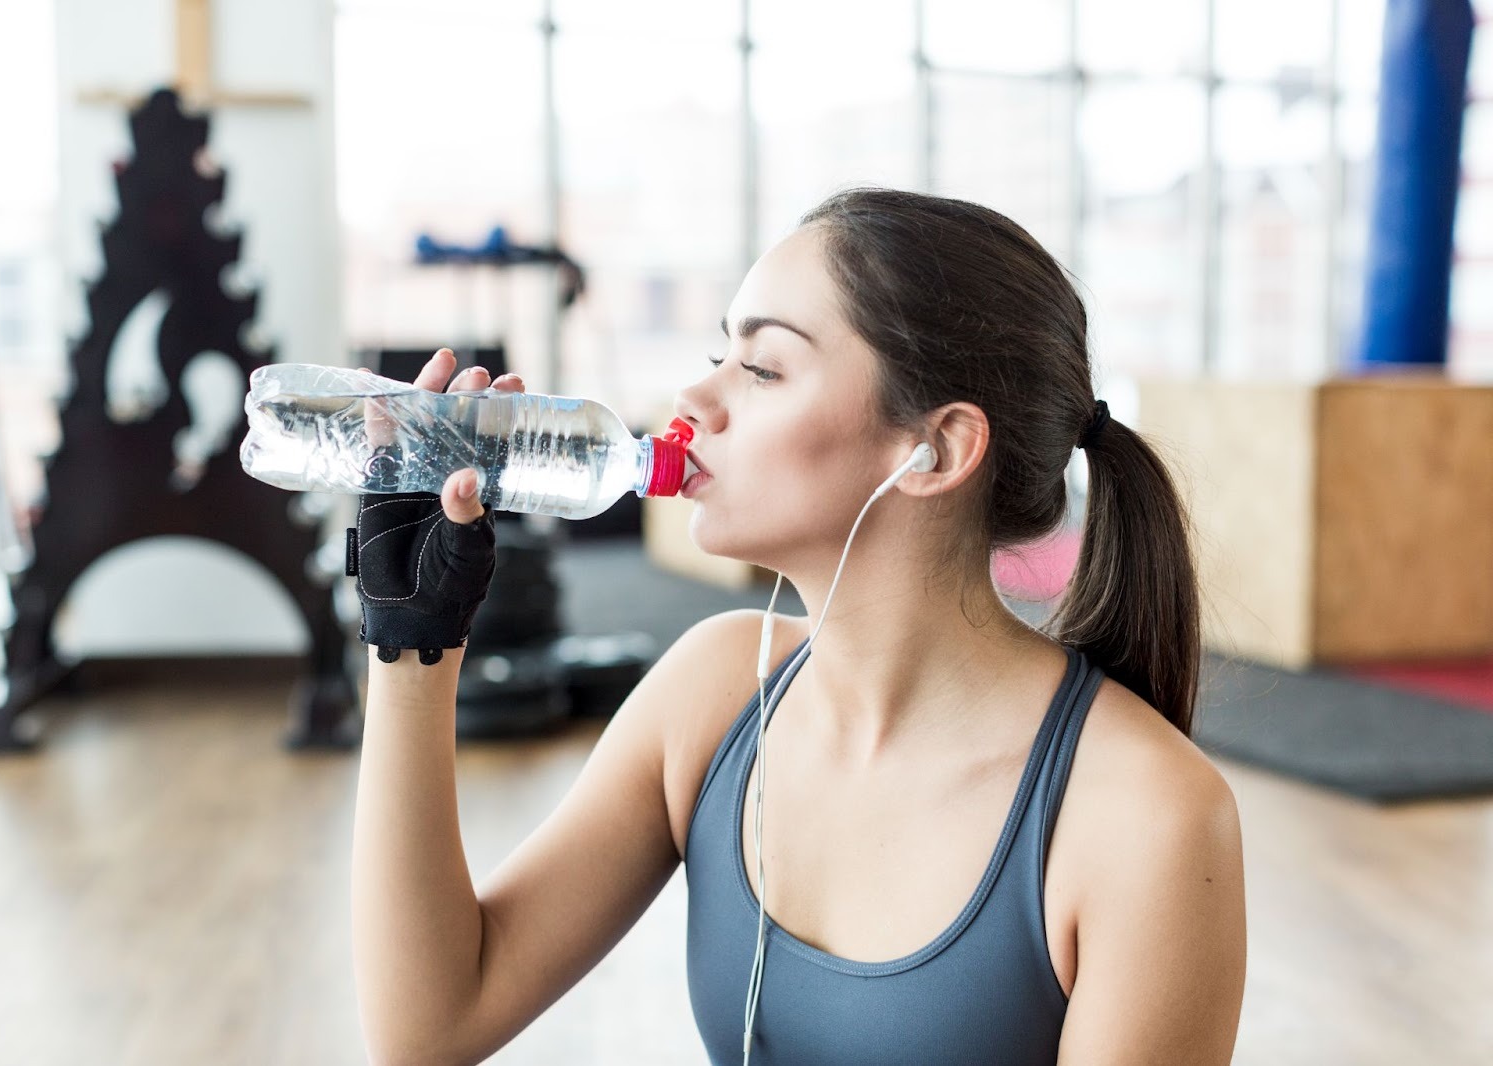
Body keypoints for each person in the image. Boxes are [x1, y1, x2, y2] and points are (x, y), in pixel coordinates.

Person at [349, 187, 1247, 1066]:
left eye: (763, 367)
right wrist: (413, 644)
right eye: (717, 355)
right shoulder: (714, 691)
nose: (693, 402)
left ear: (935, 450)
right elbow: (431, 1026)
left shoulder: (1147, 819)